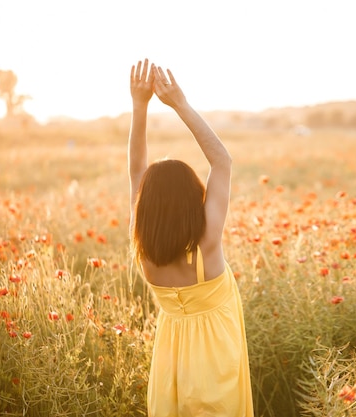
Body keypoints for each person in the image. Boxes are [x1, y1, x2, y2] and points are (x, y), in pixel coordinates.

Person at [128, 58, 254, 417]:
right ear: (193, 200)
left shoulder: (143, 249)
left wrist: (140, 107)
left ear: (145, 205)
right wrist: (179, 103)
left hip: (172, 364)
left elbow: (138, 171)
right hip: (217, 361)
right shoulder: (207, 242)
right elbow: (222, 162)